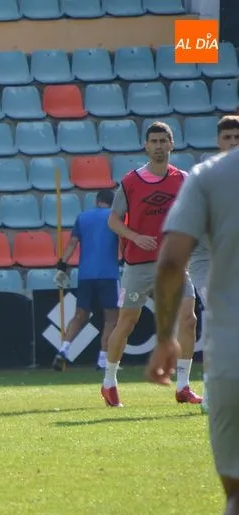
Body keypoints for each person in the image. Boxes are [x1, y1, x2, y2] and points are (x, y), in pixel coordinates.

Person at [146, 147, 239, 515]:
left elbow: (170, 262)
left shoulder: (208, 176)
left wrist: (165, 337)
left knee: (236, 494)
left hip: (231, 355)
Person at [101, 121, 200, 408]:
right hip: (138, 264)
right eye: (153, 141)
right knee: (126, 323)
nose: (158, 146)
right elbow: (113, 220)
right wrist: (135, 236)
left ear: (172, 144)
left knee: (189, 319)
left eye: (163, 141)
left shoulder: (183, 179)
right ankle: (109, 382)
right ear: (146, 146)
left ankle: (183, 386)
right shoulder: (131, 181)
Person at [190, 115, 239, 414]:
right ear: (218, 141)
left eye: (237, 138)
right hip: (206, 258)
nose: (233, 143)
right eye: (227, 138)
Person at [52, 189, 120, 372]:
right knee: (111, 319)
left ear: (97, 201)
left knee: (80, 315)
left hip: (86, 275)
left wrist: (62, 266)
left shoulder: (82, 217)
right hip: (108, 274)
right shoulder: (115, 218)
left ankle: (63, 349)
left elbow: (72, 244)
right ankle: (102, 360)